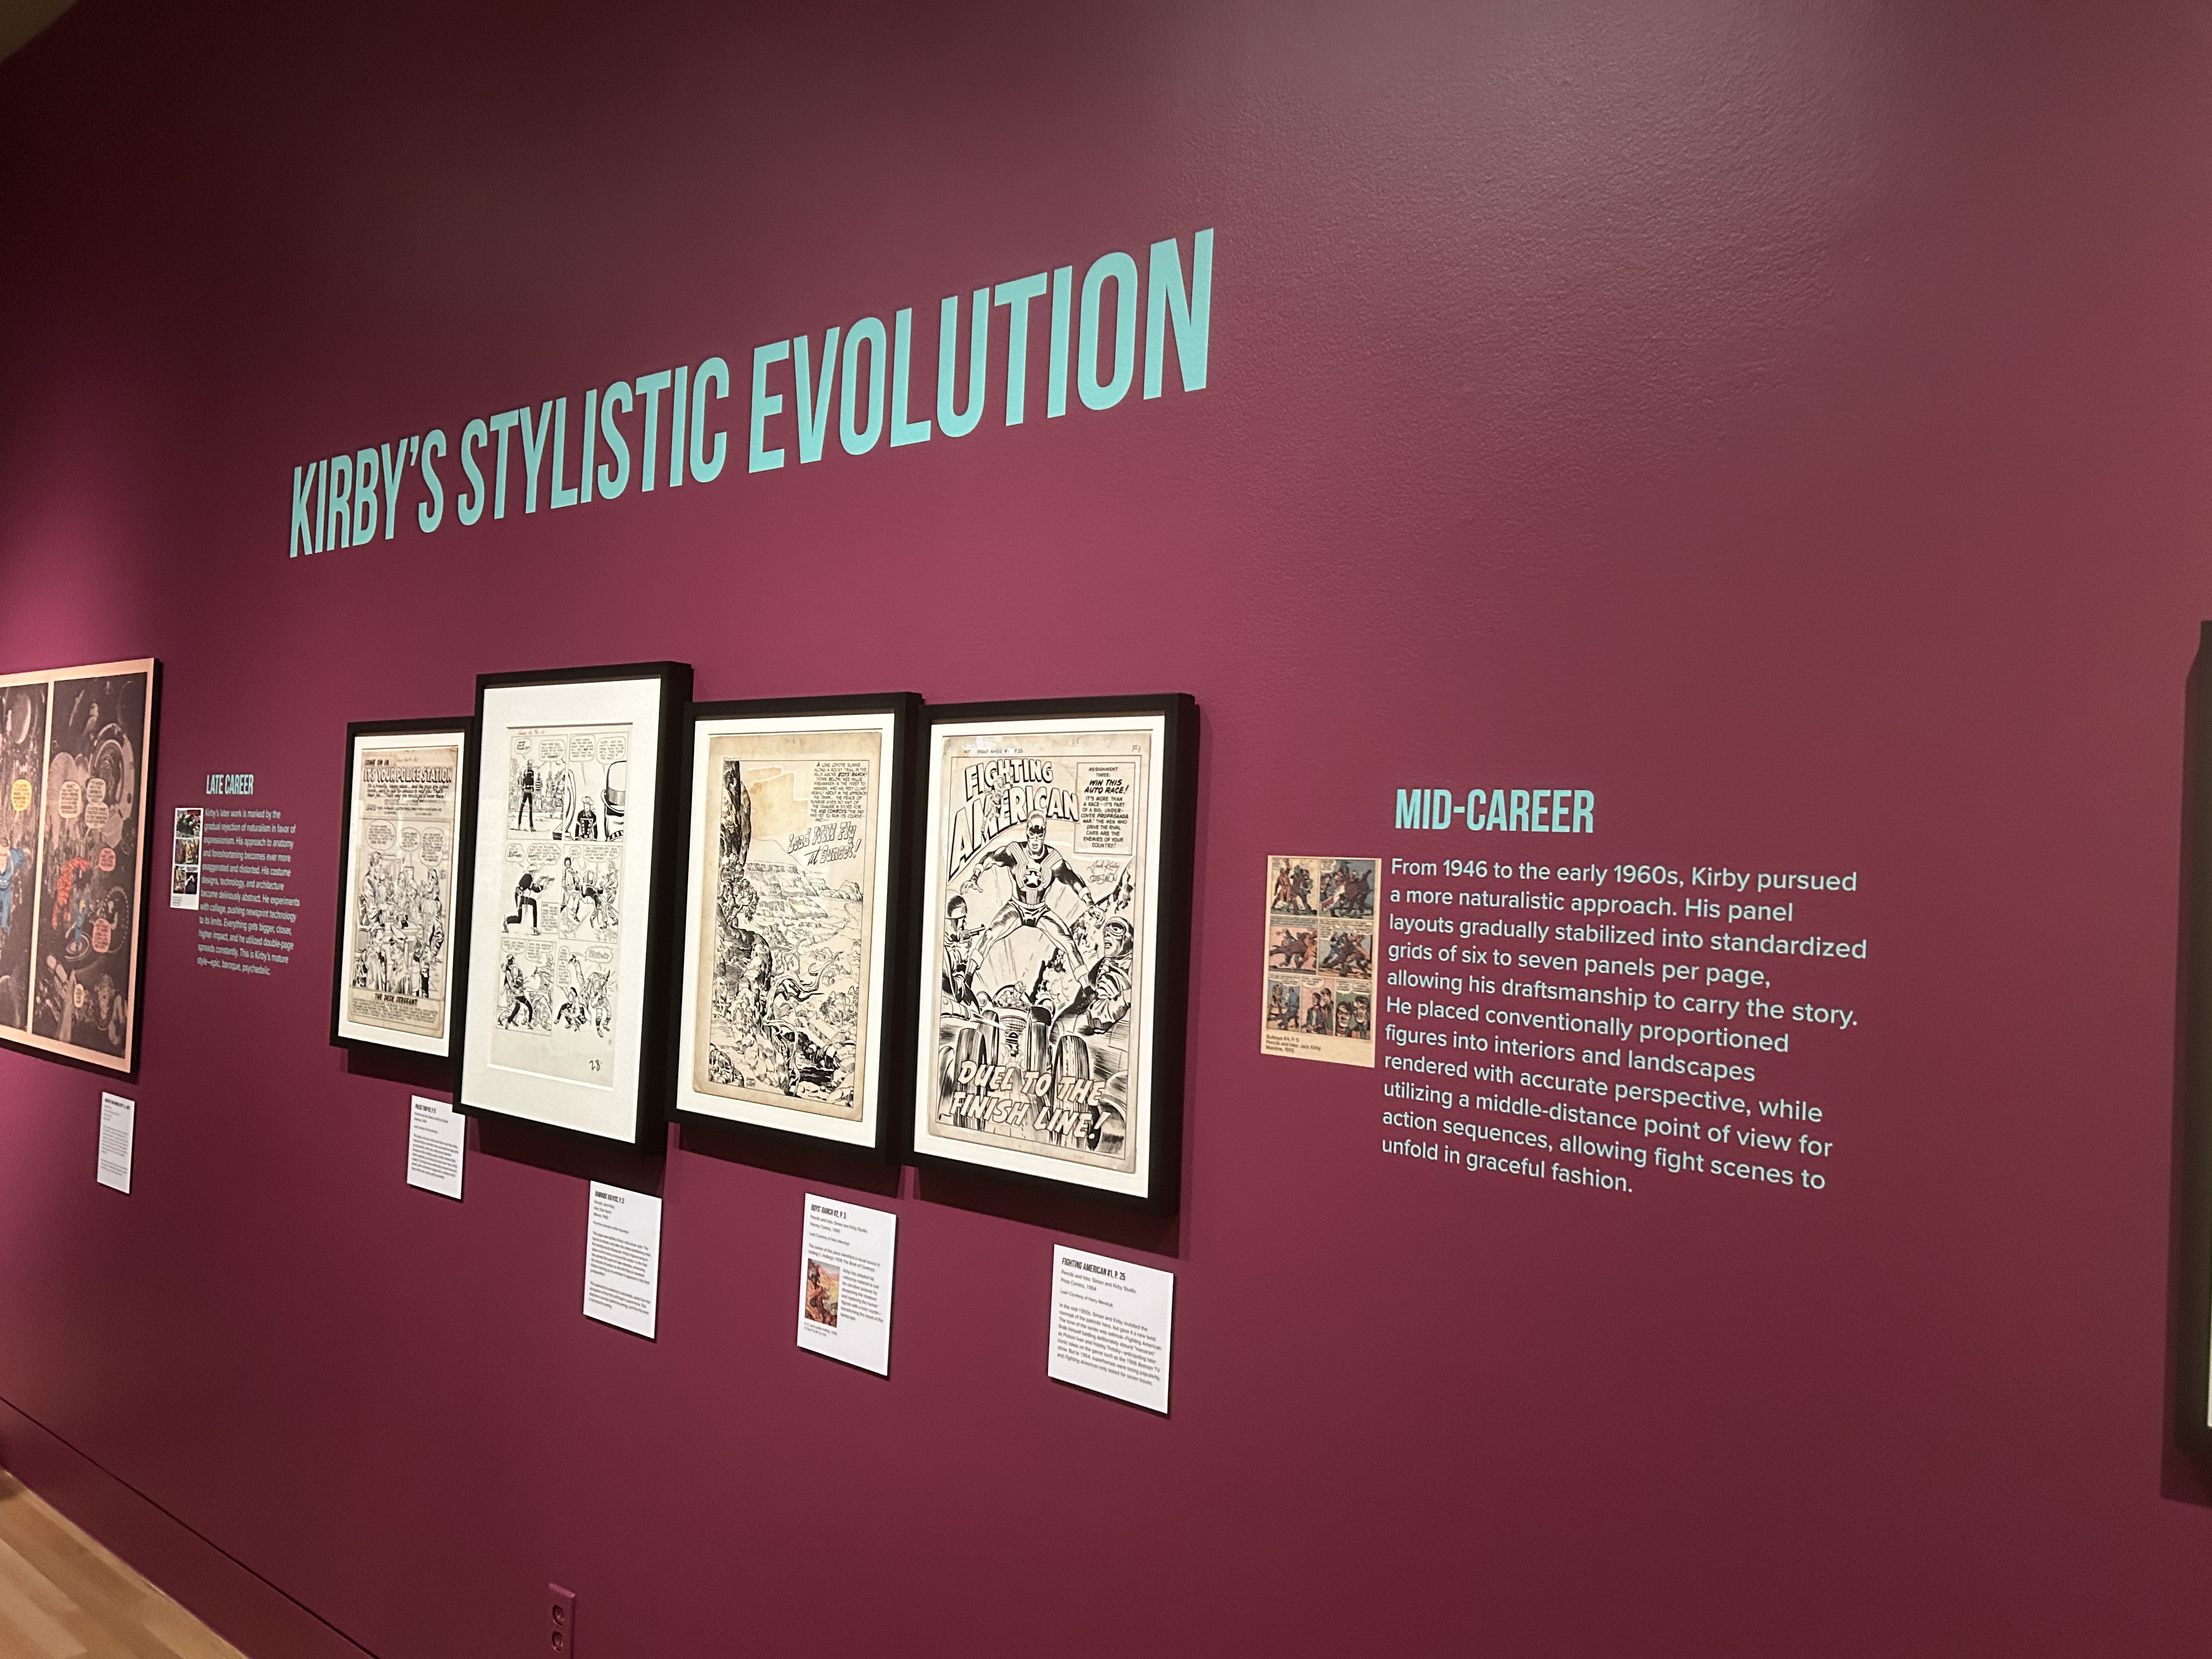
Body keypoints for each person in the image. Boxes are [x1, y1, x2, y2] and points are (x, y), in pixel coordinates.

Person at [507, 868, 551, 933]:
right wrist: (542, 884)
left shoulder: (528, 877)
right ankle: (507, 921)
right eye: (534, 873)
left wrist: (541, 885)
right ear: (532, 873)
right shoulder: (528, 877)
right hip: (519, 897)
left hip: (520, 896)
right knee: (518, 919)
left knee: (533, 903)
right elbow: (534, 888)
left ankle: (535, 927)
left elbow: (533, 888)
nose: (535, 875)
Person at [515, 760, 537, 830]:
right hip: (529, 791)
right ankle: (531, 826)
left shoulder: (524, 772)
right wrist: (533, 791)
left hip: (525, 791)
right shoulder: (532, 772)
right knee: (530, 809)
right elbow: (532, 782)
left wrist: (523, 790)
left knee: (522, 808)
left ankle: (519, 825)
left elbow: (523, 782)